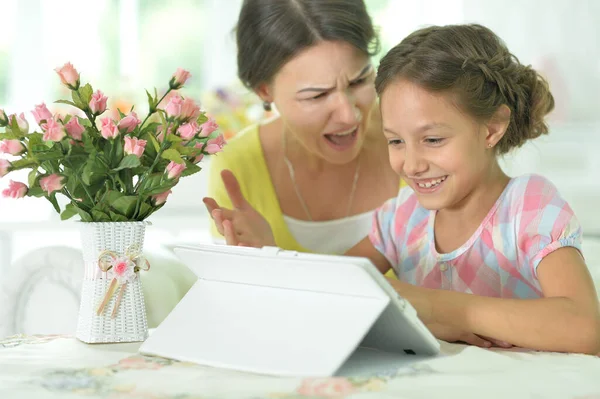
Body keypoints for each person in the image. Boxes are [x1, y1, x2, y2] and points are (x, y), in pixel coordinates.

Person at [208, 23, 600, 354]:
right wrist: (267, 253)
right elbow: (331, 294)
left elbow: (586, 328)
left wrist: (446, 309)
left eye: (432, 140)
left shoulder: (528, 207)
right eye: (395, 141)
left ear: (492, 128)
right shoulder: (401, 218)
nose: (410, 164)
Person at [203, 0, 400, 276]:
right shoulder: (239, 165)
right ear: (264, 91)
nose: (348, 115)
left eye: (359, 80)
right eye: (317, 95)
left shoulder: (423, 139)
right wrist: (260, 265)